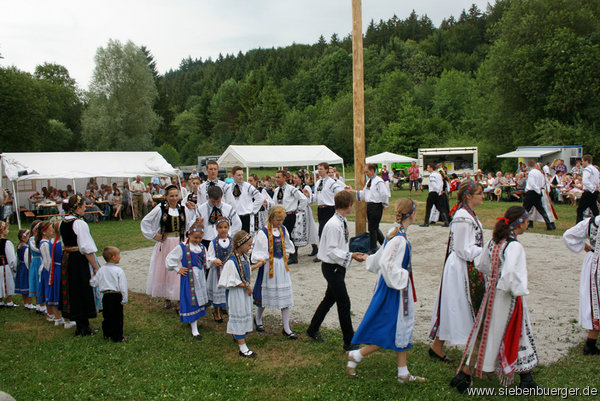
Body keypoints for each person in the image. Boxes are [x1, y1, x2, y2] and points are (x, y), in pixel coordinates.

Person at [450, 206, 540, 392]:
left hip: (491, 295)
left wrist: (493, 280)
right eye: (526, 220)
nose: (528, 223)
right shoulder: (514, 246)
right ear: (519, 223)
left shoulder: (495, 242)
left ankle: (524, 376)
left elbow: (482, 264)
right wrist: (517, 289)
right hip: (508, 298)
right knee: (511, 332)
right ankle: (522, 379)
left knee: (486, 332)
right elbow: (510, 275)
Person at [346, 198, 426, 384]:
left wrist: (369, 259)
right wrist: (403, 277)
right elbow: (386, 263)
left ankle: (403, 373)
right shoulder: (399, 239)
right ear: (412, 214)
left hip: (392, 287)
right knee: (392, 327)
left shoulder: (394, 232)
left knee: (400, 328)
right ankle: (357, 355)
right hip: (395, 290)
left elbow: (380, 256)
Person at [429, 180, 485, 362]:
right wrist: (486, 251)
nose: (483, 196)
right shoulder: (463, 216)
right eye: (480, 193)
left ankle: (437, 346)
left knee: (456, 305)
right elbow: (462, 249)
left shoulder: (468, 214)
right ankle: (472, 350)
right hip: (460, 266)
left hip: (466, 264)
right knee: (457, 305)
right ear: (469, 196)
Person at [306, 191, 368, 350]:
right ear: (348, 206)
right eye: (352, 204)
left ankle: (312, 329)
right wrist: (351, 255)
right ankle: (349, 341)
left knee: (329, 299)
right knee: (344, 302)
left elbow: (342, 244)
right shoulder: (334, 224)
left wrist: (351, 253)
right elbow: (332, 251)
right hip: (331, 267)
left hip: (337, 266)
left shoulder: (342, 220)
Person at [251, 205, 297, 338]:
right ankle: (258, 318)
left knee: (285, 296)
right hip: (269, 268)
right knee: (265, 295)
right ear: (271, 218)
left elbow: (288, 244)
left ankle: (286, 327)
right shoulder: (263, 232)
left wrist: (287, 253)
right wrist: (261, 258)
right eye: (277, 220)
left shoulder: (283, 230)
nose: (280, 222)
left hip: (281, 267)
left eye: (281, 220)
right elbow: (259, 250)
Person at [141, 185, 190, 308]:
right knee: (165, 269)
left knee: (178, 270)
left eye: (176, 195)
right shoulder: (160, 208)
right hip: (166, 243)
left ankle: (178, 298)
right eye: (171, 196)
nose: (174, 198)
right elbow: (146, 221)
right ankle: (167, 298)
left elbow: (189, 224)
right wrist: (154, 236)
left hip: (179, 242)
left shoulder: (183, 208)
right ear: (166, 196)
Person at [59, 195, 101, 336]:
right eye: (83, 206)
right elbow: (86, 248)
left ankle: (80, 324)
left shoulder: (63, 222)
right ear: (77, 208)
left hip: (67, 259)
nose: (85, 208)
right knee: (82, 289)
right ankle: (83, 326)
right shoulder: (79, 223)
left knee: (72, 289)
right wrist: (95, 266)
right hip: (78, 259)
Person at [218, 230, 264, 358]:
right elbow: (229, 279)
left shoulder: (243, 258)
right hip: (236, 293)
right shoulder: (231, 262)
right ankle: (242, 348)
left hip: (243, 293)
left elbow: (245, 270)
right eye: (248, 245)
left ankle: (239, 335)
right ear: (240, 245)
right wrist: (246, 286)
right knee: (238, 314)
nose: (250, 247)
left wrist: (258, 265)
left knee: (244, 313)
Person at [563, 213, 600, 355]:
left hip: (595, 262)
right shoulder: (593, 222)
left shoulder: (592, 222)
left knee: (596, 302)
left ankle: (591, 343)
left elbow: (569, 235)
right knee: (596, 301)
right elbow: (568, 235)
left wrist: (587, 248)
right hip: (596, 265)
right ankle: (590, 344)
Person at [166, 221, 209, 340]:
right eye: (195, 237)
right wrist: (177, 268)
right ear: (189, 235)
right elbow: (170, 259)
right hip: (189, 279)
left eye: (200, 238)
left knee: (199, 299)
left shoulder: (202, 247)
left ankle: (194, 321)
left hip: (200, 277)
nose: (197, 240)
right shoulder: (183, 247)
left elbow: (207, 261)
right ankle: (194, 328)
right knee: (191, 300)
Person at [89, 246, 128, 342]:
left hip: (106, 296)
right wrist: (125, 298)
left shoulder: (101, 270)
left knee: (107, 315)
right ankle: (118, 337)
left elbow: (93, 282)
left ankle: (107, 333)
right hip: (116, 295)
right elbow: (123, 286)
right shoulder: (118, 271)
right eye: (119, 255)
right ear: (113, 257)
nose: (120, 257)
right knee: (117, 317)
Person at [270, 170, 308, 265]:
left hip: (289, 215)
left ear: (284, 178)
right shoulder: (277, 190)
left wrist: (298, 210)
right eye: (276, 177)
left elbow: (303, 199)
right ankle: (284, 253)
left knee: (288, 235)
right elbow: (274, 202)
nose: (277, 179)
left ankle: (293, 256)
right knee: (281, 234)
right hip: (279, 215)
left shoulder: (291, 189)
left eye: (279, 177)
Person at [351, 163, 390, 254]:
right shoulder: (369, 181)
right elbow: (364, 194)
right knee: (374, 227)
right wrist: (352, 190)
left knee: (372, 228)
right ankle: (385, 243)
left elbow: (384, 193)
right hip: (370, 205)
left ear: (372, 171)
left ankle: (373, 248)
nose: (366, 173)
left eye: (367, 171)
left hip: (376, 206)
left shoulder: (378, 181)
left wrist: (384, 204)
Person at [191, 186, 241, 250]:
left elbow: (237, 224)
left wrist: (231, 236)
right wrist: (199, 224)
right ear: (209, 197)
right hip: (206, 240)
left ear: (221, 197)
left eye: (218, 201)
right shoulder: (200, 209)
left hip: (224, 240)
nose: (215, 204)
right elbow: (192, 226)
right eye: (213, 201)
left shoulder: (228, 208)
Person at [206, 217, 232, 323]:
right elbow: (209, 256)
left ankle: (228, 309)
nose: (223, 230)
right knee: (218, 290)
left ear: (228, 228)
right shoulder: (214, 243)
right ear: (216, 228)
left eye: (225, 227)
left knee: (229, 291)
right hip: (217, 271)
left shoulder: (232, 241)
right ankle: (216, 311)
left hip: (229, 271)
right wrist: (214, 260)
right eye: (220, 227)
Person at [224, 166, 262, 234]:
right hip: (233, 217)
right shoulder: (227, 188)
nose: (241, 177)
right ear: (233, 175)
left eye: (242, 175)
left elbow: (260, 198)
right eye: (238, 175)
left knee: (245, 238)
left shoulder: (248, 186)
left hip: (245, 217)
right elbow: (224, 202)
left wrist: (252, 210)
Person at [523, 159, 556, 230]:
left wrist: (537, 189)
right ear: (535, 165)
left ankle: (524, 224)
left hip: (532, 192)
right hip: (538, 192)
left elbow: (532, 183)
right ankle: (549, 224)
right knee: (541, 209)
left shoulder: (531, 173)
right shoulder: (540, 173)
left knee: (526, 209)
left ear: (528, 165)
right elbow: (543, 183)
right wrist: (539, 190)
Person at [292, 172, 319, 257]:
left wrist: (307, 195)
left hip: (305, 211)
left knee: (308, 229)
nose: (294, 179)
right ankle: (295, 250)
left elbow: (310, 199)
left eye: (296, 178)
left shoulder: (306, 187)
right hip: (297, 210)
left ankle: (314, 247)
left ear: (301, 179)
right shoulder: (294, 188)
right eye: (293, 178)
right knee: (296, 229)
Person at [38, 221, 56, 321]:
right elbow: (47, 259)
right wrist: (50, 270)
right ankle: (50, 313)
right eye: (50, 229)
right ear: (44, 232)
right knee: (48, 291)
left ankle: (51, 312)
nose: (52, 231)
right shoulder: (44, 244)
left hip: (48, 269)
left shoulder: (47, 242)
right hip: (47, 270)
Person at [577, 154, 600, 223]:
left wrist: (592, 188)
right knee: (594, 209)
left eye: (582, 161)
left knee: (580, 209)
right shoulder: (595, 169)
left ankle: (579, 225)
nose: (582, 163)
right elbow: (597, 181)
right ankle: (597, 222)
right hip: (594, 191)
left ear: (586, 161)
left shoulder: (587, 169)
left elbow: (585, 181)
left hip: (589, 191)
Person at [28, 220, 45, 314]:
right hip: (37, 261)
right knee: (37, 281)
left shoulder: (39, 239)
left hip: (41, 260)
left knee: (40, 281)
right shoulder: (32, 239)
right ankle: (40, 305)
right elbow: (36, 249)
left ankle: (41, 304)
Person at [0, 221, 17, 308]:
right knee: (7, 282)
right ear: (2, 230)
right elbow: (11, 258)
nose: (8, 231)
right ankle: (9, 301)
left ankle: (0, 301)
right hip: (4, 266)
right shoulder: (6, 243)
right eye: (7, 229)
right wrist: (14, 266)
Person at [15, 229, 33, 309]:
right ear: (23, 238)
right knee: (28, 285)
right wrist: (29, 268)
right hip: (25, 267)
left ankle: (26, 302)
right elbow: (27, 259)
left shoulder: (19, 246)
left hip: (21, 266)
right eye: (28, 236)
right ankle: (29, 303)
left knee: (24, 285)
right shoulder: (26, 248)